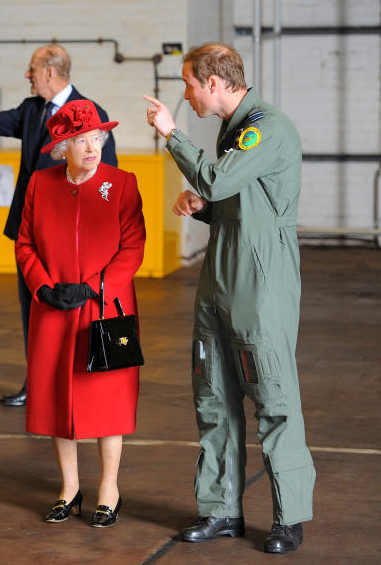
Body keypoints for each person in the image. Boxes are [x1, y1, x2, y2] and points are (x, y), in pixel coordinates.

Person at [143, 43, 315, 554]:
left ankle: (289, 518)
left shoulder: (267, 127)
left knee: (275, 401)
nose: (187, 94)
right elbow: (238, 205)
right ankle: (222, 511)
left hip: (260, 288)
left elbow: (218, 180)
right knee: (214, 397)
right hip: (220, 282)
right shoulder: (233, 130)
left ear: (213, 83)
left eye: (189, 83)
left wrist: (171, 136)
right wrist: (202, 209)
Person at [0, 45, 117, 407]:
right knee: (35, 311)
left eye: (32, 70)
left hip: (69, 238)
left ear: (51, 73)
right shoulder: (32, 110)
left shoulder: (90, 113)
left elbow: (106, 177)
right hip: (30, 233)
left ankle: (82, 388)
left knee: (76, 313)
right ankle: (38, 384)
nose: (28, 76)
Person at [15, 100, 145, 528]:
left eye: (96, 138)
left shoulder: (122, 184)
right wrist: (45, 287)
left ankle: (110, 487)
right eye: (81, 141)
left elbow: (133, 247)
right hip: (54, 309)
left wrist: (95, 287)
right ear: (62, 148)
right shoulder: (39, 184)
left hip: (106, 309)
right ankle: (69, 487)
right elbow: (25, 244)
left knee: (108, 397)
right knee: (57, 398)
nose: (92, 147)